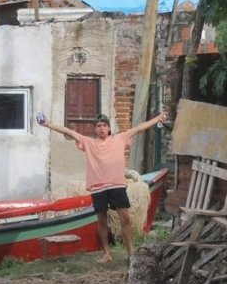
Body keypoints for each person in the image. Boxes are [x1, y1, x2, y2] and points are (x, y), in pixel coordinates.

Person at [38, 111, 167, 263]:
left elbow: (139, 128)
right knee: (102, 220)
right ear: (95, 129)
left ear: (109, 128)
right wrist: (48, 124)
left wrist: (158, 118)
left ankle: (131, 252)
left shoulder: (120, 138)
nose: (101, 128)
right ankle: (107, 253)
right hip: (98, 187)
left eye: (104, 125)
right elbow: (68, 131)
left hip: (117, 185)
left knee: (125, 218)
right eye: (98, 126)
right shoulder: (88, 142)